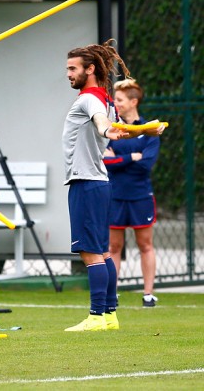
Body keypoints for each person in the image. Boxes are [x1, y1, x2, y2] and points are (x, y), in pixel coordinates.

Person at [62, 40, 164, 332]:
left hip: (87, 182)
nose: (68, 74)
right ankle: (109, 315)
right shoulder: (106, 100)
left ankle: (96, 316)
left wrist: (106, 130)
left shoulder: (91, 100)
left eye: (73, 68)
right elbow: (119, 127)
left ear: (90, 69)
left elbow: (104, 124)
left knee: (91, 251)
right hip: (100, 183)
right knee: (104, 251)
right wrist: (147, 128)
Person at [103, 79, 160, 307]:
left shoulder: (149, 130)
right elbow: (105, 162)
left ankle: (148, 294)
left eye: (119, 100)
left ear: (133, 101)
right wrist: (131, 157)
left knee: (145, 245)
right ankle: (112, 294)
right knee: (113, 247)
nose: (115, 104)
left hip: (140, 195)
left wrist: (119, 160)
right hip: (115, 195)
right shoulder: (113, 131)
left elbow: (146, 164)